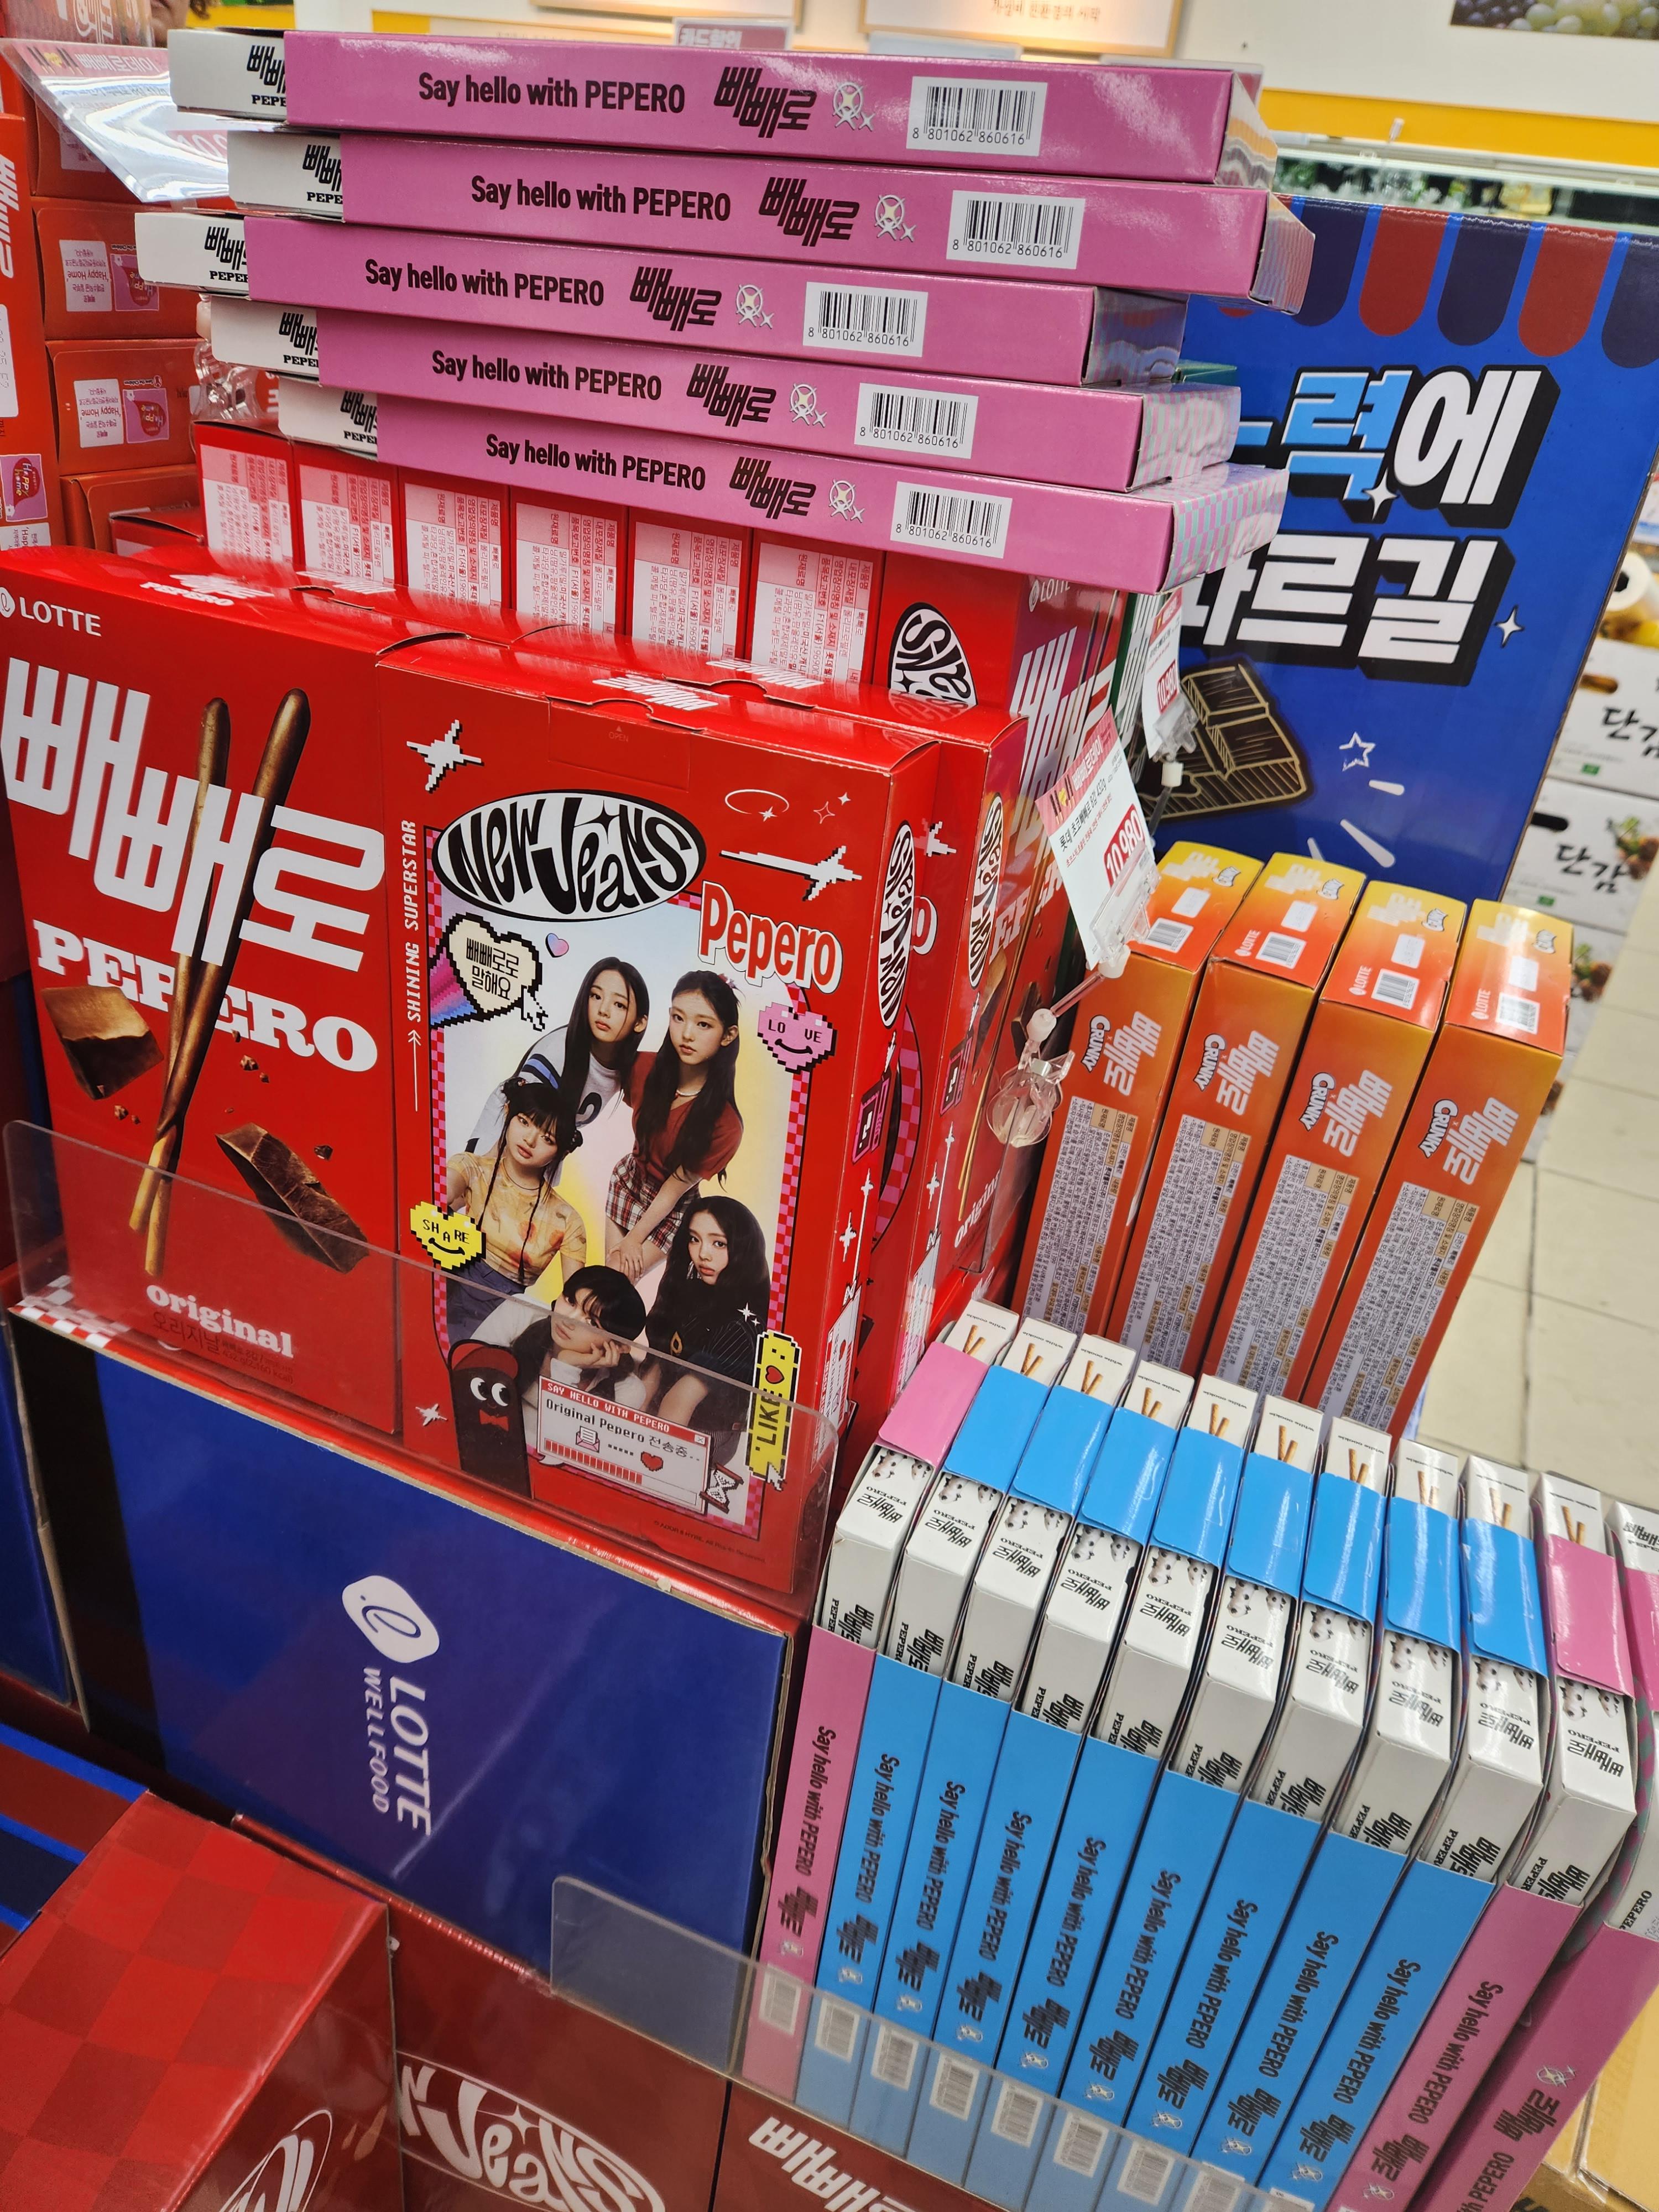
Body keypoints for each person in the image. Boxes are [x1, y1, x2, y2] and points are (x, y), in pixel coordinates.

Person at [606, 971, 743, 1285]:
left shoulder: (725, 1125)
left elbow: (673, 1190)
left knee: (615, 1278)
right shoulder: (643, 1068)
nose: (687, 1034)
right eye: (678, 1018)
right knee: (608, 1278)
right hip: (629, 1182)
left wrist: (633, 1241)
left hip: (672, 1210)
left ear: (728, 1035)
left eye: (703, 1024)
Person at [444, 1076, 586, 1342]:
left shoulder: (567, 1220)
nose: (530, 1140)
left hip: (503, 1316)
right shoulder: (472, 1168)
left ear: (561, 1152)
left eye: (547, 1138)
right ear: (508, 1114)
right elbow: (443, 1190)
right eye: (524, 1122)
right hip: (447, 1284)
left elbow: (577, 1298)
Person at [469, 959, 649, 1155]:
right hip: (503, 1139)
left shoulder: (627, 1067)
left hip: (544, 1148)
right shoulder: (557, 1051)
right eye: (596, 996)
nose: (603, 1011)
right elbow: (522, 1123)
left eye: (619, 1005)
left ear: (639, 1023)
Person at [637, 1197, 770, 1430]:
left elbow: (680, 1401)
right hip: (662, 1423)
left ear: (743, 1248)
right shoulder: (689, 1294)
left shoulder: (741, 1326)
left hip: (705, 1436)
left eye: (719, 1243)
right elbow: (656, 1369)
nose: (703, 1254)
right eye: (694, 1239)